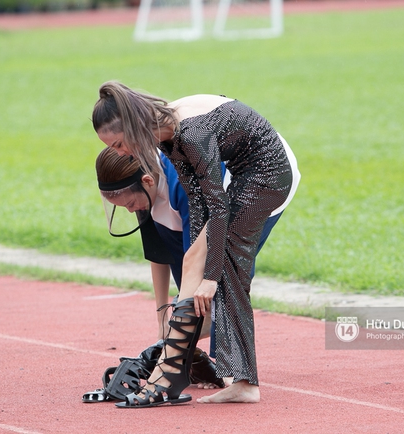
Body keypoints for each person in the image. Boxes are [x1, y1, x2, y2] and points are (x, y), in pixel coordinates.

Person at [92, 81, 299, 407]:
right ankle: (181, 367)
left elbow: (218, 208)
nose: (119, 154)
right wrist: (190, 281)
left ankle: (240, 383)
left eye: (118, 144)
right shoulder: (165, 137)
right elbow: (200, 204)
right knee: (194, 260)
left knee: (226, 268)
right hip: (236, 177)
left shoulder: (191, 133)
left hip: (268, 171)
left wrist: (209, 278)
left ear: (133, 127)